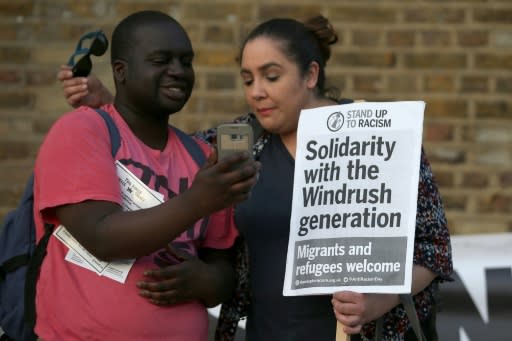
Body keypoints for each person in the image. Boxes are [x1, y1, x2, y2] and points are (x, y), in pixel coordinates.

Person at [58, 15, 453, 341]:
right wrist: (112, 103)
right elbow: (167, 154)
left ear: (310, 74)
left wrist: (378, 301)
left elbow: (434, 248)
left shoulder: (376, 134)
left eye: (272, 76)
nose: (257, 92)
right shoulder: (238, 143)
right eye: (248, 80)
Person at [35, 10, 259, 341]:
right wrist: (198, 200)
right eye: (161, 60)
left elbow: (223, 272)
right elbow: (102, 237)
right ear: (121, 71)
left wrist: (204, 281)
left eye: (186, 61)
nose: (178, 71)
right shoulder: (84, 131)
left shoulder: (201, 156)